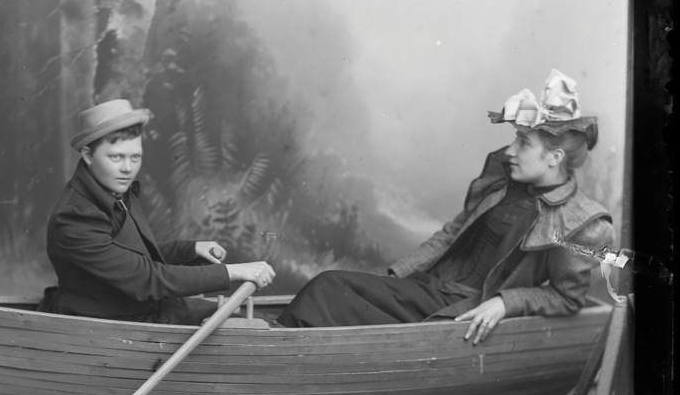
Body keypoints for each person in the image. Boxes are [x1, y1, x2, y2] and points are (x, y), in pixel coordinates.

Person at [275, 69, 615, 344]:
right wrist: (396, 277)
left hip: (462, 311)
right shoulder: (502, 185)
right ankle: (281, 346)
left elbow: (566, 298)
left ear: (555, 157)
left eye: (523, 142)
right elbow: (452, 233)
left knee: (328, 289)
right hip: (431, 289)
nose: (510, 151)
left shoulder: (583, 222)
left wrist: (504, 302)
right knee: (332, 287)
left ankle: (280, 351)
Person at [37, 99, 275, 324]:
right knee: (249, 329)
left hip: (145, 310)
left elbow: (131, 257)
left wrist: (189, 249)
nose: (128, 169)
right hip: (115, 329)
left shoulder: (112, 190)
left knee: (259, 323)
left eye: (135, 157)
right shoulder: (74, 218)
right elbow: (145, 279)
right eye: (116, 157)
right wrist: (232, 272)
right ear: (88, 155)